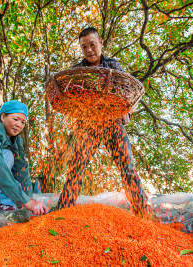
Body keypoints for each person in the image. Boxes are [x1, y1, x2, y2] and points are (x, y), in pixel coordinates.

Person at [55, 27, 149, 215]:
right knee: (76, 167)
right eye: (84, 47)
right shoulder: (77, 71)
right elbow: (72, 99)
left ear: (101, 43)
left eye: (92, 44)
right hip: (88, 125)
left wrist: (125, 110)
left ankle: (143, 211)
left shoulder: (113, 66)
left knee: (127, 167)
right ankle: (62, 210)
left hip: (112, 123)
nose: (89, 50)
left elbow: (126, 92)